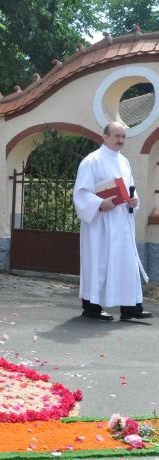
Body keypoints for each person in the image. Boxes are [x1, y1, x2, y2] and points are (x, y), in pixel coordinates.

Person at [73, 121, 152, 321]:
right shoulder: (92, 161)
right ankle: (92, 308)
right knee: (98, 264)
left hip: (122, 222)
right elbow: (81, 194)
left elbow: (130, 189)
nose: (121, 140)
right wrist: (100, 203)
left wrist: (134, 202)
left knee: (127, 264)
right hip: (100, 225)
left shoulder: (124, 161)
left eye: (123, 137)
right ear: (105, 137)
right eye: (117, 136)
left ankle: (131, 307)